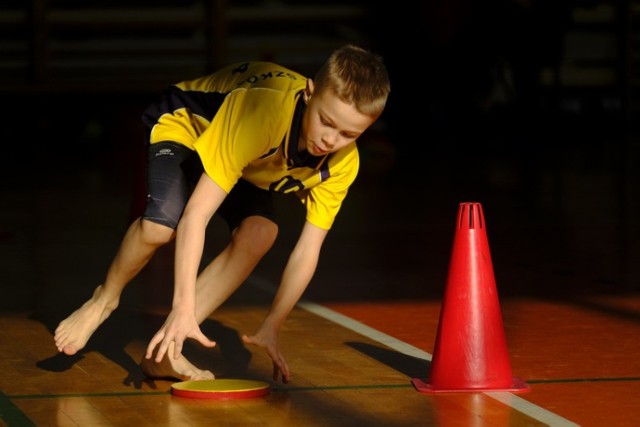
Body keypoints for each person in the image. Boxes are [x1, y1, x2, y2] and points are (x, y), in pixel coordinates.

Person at [53, 44, 390, 384]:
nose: (330, 140)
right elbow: (196, 216)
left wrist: (274, 322)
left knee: (260, 232)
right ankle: (103, 301)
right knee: (159, 226)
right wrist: (182, 305)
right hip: (188, 126)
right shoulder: (264, 113)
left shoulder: (343, 164)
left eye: (349, 134)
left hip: (247, 160)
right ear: (308, 93)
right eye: (326, 122)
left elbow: (309, 249)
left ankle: (166, 352)